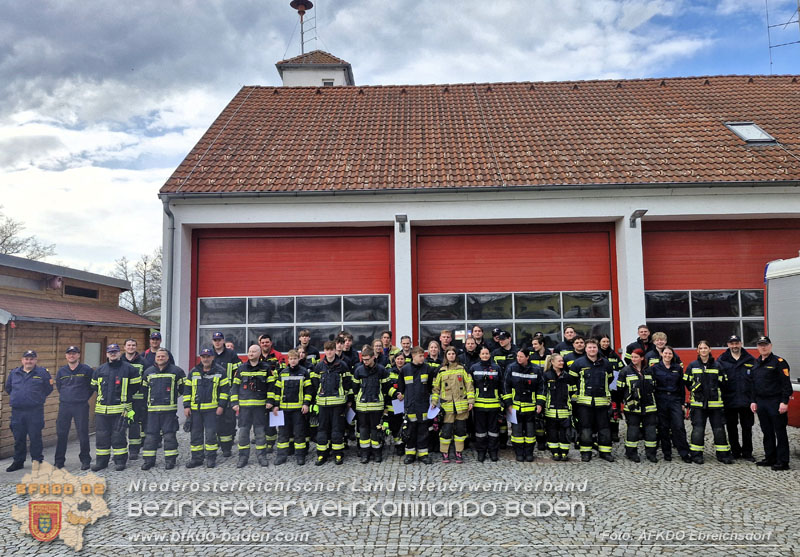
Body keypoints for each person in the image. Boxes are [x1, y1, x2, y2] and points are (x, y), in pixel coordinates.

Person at [91, 344, 140, 471]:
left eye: (115, 352)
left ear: (119, 353)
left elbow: (135, 387)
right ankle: (102, 462)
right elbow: (95, 386)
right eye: (110, 352)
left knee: (118, 436)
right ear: (107, 354)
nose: (113, 354)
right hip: (102, 410)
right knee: (102, 437)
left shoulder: (129, 369)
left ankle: (120, 461)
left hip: (121, 410)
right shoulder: (100, 370)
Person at [5, 350, 53, 472]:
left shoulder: (42, 373)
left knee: (35, 437)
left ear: (35, 360)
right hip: (17, 412)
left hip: (35, 411)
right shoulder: (14, 373)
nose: (29, 361)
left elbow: (48, 389)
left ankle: (37, 462)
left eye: (31, 359)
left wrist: (36, 399)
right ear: (22, 360)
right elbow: (8, 388)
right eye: (26, 359)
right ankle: (18, 461)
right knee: (19, 438)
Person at [685, 340, 732, 464]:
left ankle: (723, 455)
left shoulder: (718, 366)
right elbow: (687, 382)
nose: (703, 350)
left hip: (715, 405)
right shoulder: (692, 365)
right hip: (698, 405)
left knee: (719, 430)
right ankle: (696, 455)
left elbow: (724, 383)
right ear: (698, 350)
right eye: (701, 348)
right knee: (698, 430)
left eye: (706, 348)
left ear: (710, 350)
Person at [749, 336, 792, 471]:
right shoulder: (756, 363)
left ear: (771, 346)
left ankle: (783, 461)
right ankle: (770, 457)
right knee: (766, 431)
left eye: (765, 345)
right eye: (760, 345)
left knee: (780, 431)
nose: (763, 347)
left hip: (775, 401)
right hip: (761, 402)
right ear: (757, 347)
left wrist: (784, 402)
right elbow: (753, 384)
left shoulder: (779, 362)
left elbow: (786, 384)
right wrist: (753, 400)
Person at [569, 338, 614, 462]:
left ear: (597, 348)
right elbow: (572, 381)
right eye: (589, 347)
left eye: (594, 347)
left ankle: (605, 452)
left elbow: (610, 379)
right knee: (585, 428)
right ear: (585, 349)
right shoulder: (578, 363)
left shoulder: (606, 363)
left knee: (604, 428)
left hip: (602, 402)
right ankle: (586, 452)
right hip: (584, 403)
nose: (592, 349)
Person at [140, 348, 186, 470]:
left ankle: (170, 461)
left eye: (163, 356)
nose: (160, 358)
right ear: (155, 358)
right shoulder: (148, 372)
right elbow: (144, 391)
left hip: (169, 411)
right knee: (150, 437)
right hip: (152, 412)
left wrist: (171, 397)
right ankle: (148, 461)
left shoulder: (177, 371)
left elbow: (184, 389)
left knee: (169, 436)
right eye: (158, 356)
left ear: (168, 358)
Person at [184, 348, 229, 468]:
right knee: (195, 435)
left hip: (212, 410)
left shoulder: (220, 371)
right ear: (200, 358)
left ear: (213, 357)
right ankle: (197, 458)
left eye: (208, 356)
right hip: (195, 411)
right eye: (203, 356)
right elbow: (187, 390)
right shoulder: (193, 372)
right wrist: (186, 406)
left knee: (210, 435)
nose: (205, 359)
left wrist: (221, 406)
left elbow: (225, 391)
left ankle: (211, 458)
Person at [231, 345, 272, 468]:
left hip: (260, 407)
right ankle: (243, 457)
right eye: (249, 351)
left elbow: (271, 387)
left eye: (254, 351)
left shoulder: (266, 368)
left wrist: (270, 401)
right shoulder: (241, 368)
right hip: (244, 408)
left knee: (260, 433)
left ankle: (261, 456)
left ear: (259, 354)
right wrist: (234, 403)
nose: (251, 353)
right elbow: (234, 387)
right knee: (243, 433)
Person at [312, 341, 353, 466]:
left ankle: (338, 454)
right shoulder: (319, 367)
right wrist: (315, 401)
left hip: (338, 404)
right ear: (324, 351)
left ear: (335, 350)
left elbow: (348, 383)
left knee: (337, 430)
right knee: (322, 430)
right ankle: (322, 454)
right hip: (323, 404)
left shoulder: (343, 365)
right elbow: (314, 385)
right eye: (327, 350)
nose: (329, 352)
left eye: (331, 350)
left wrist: (349, 400)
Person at [432, 346, 474, 463]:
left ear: (456, 355)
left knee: (461, 430)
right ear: (446, 356)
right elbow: (436, 389)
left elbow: (469, 386)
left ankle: (458, 452)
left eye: (453, 354)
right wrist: (434, 403)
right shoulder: (440, 370)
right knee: (446, 431)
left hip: (462, 406)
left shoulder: (462, 369)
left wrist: (471, 401)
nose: (451, 356)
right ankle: (445, 453)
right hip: (447, 407)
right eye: (449, 354)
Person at [54, 346, 93, 470]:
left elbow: (91, 387)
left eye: (74, 353)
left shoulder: (86, 370)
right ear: (66, 356)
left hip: (80, 405)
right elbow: (59, 387)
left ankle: (85, 460)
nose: (72, 356)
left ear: (78, 355)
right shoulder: (62, 371)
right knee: (61, 433)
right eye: (69, 354)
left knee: (83, 433)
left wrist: (83, 397)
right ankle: (59, 461)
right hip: (65, 405)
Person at [651, 346, 692, 463]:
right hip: (661, 399)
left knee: (679, 426)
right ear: (662, 354)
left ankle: (684, 452)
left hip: (675, 399)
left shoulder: (678, 368)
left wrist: (683, 402)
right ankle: (667, 453)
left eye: (670, 354)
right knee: (663, 427)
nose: (667, 355)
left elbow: (681, 387)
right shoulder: (655, 368)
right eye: (666, 353)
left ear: (672, 355)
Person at [272, 349, 313, 466]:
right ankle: (281, 456)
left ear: (298, 359)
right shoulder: (283, 373)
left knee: (299, 433)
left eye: (295, 358)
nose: (293, 361)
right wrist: (275, 406)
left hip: (298, 410)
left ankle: (300, 456)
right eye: (291, 359)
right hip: (284, 410)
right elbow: (277, 391)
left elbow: (309, 390)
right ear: (288, 360)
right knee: (283, 434)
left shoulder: (304, 372)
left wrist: (306, 404)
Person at [718, 335, 756, 461]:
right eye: (732, 344)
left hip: (746, 401)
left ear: (741, 343)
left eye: (736, 343)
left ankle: (747, 452)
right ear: (728, 345)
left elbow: (755, 381)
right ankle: (735, 451)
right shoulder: (722, 360)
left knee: (747, 428)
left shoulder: (750, 359)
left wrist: (754, 399)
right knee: (731, 427)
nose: (734, 346)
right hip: (729, 400)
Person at [352, 346, 392, 463]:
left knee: (376, 431)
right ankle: (365, 454)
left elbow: (386, 388)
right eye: (363, 360)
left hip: (377, 406)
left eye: (367, 359)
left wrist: (395, 395)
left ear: (373, 357)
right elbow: (355, 389)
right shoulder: (359, 370)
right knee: (363, 431)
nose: (365, 362)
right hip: (362, 407)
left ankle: (377, 453)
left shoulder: (381, 370)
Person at [617, 349, 658, 463]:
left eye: (636, 357)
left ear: (642, 358)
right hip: (632, 407)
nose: (633, 359)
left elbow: (655, 387)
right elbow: (620, 389)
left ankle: (651, 454)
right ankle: (631, 453)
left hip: (649, 407)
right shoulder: (625, 371)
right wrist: (626, 401)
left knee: (650, 431)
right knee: (633, 431)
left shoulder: (649, 371)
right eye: (632, 357)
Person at [503, 348, 543, 462]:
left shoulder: (536, 369)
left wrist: (540, 403)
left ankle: (529, 453)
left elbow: (541, 388)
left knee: (530, 432)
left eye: (521, 357)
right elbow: (506, 386)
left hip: (531, 406)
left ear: (527, 357)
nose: (518, 359)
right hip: (515, 406)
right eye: (517, 356)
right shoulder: (511, 367)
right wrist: (508, 404)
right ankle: (519, 453)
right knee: (516, 432)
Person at [395, 346, 434, 464]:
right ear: (413, 356)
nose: (423, 358)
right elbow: (401, 388)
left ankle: (423, 454)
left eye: (423, 355)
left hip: (423, 405)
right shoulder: (405, 369)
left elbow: (431, 387)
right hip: (410, 406)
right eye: (420, 356)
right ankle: (410, 454)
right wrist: (399, 395)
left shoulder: (428, 369)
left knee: (423, 431)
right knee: (410, 430)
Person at [470, 346, 503, 462]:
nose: (485, 355)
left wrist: (502, 402)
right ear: (479, 355)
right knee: (480, 431)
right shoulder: (474, 368)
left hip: (493, 405)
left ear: (490, 355)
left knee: (494, 431)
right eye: (483, 353)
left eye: (487, 353)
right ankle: (481, 452)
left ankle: (493, 452)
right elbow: (470, 387)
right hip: (479, 406)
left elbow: (501, 385)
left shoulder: (496, 368)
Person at [213, 331, 242, 457]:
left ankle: (227, 447)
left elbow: (239, 371)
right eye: (215, 340)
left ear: (223, 341)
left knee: (228, 421)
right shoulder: (209, 354)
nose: (217, 342)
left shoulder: (231, 354)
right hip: (213, 393)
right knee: (214, 420)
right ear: (212, 341)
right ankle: (214, 446)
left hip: (228, 391)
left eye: (219, 339)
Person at [538, 353, 572, 461]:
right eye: (559, 361)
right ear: (552, 362)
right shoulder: (546, 376)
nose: (562, 363)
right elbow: (542, 392)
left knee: (564, 433)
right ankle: (555, 452)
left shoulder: (567, 376)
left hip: (565, 410)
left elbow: (572, 392)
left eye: (562, 361)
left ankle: (564, 452)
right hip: (550, 410)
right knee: (552, 432)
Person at [122, 338, 147, 461]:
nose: (131, 347)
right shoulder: (119, 361)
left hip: (136, 400)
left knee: (134, 424)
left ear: (136, 347)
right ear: (124, 347)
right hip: (121, 400)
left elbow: (146, 379)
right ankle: (120, 450)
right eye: (128, 345)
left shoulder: (143, 362)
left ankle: (134, 450)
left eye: (133, 345)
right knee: (120, 425)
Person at [599, 334, 624, 443]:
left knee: (615, 412)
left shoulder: (614, 355)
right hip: (601, 388)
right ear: (599, 343)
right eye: (603, 341)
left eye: (607, 341)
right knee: (603, 412)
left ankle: (614, 433)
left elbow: (622, 368)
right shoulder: (597, 355)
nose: (606, 344)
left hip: (614, 389)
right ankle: (605, 432)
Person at [386, 352, 407, 456]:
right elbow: (386, 386)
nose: (400, 361)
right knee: (395, 426)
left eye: (402, 359)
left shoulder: (408, 370)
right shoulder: (389, 372)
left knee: (405, 424)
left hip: (406, 402)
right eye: (398, 359)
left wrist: (404, 395)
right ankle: (398, 444)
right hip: (393, 403)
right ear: (394, 360)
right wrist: (395, 394)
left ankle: (404, 444)